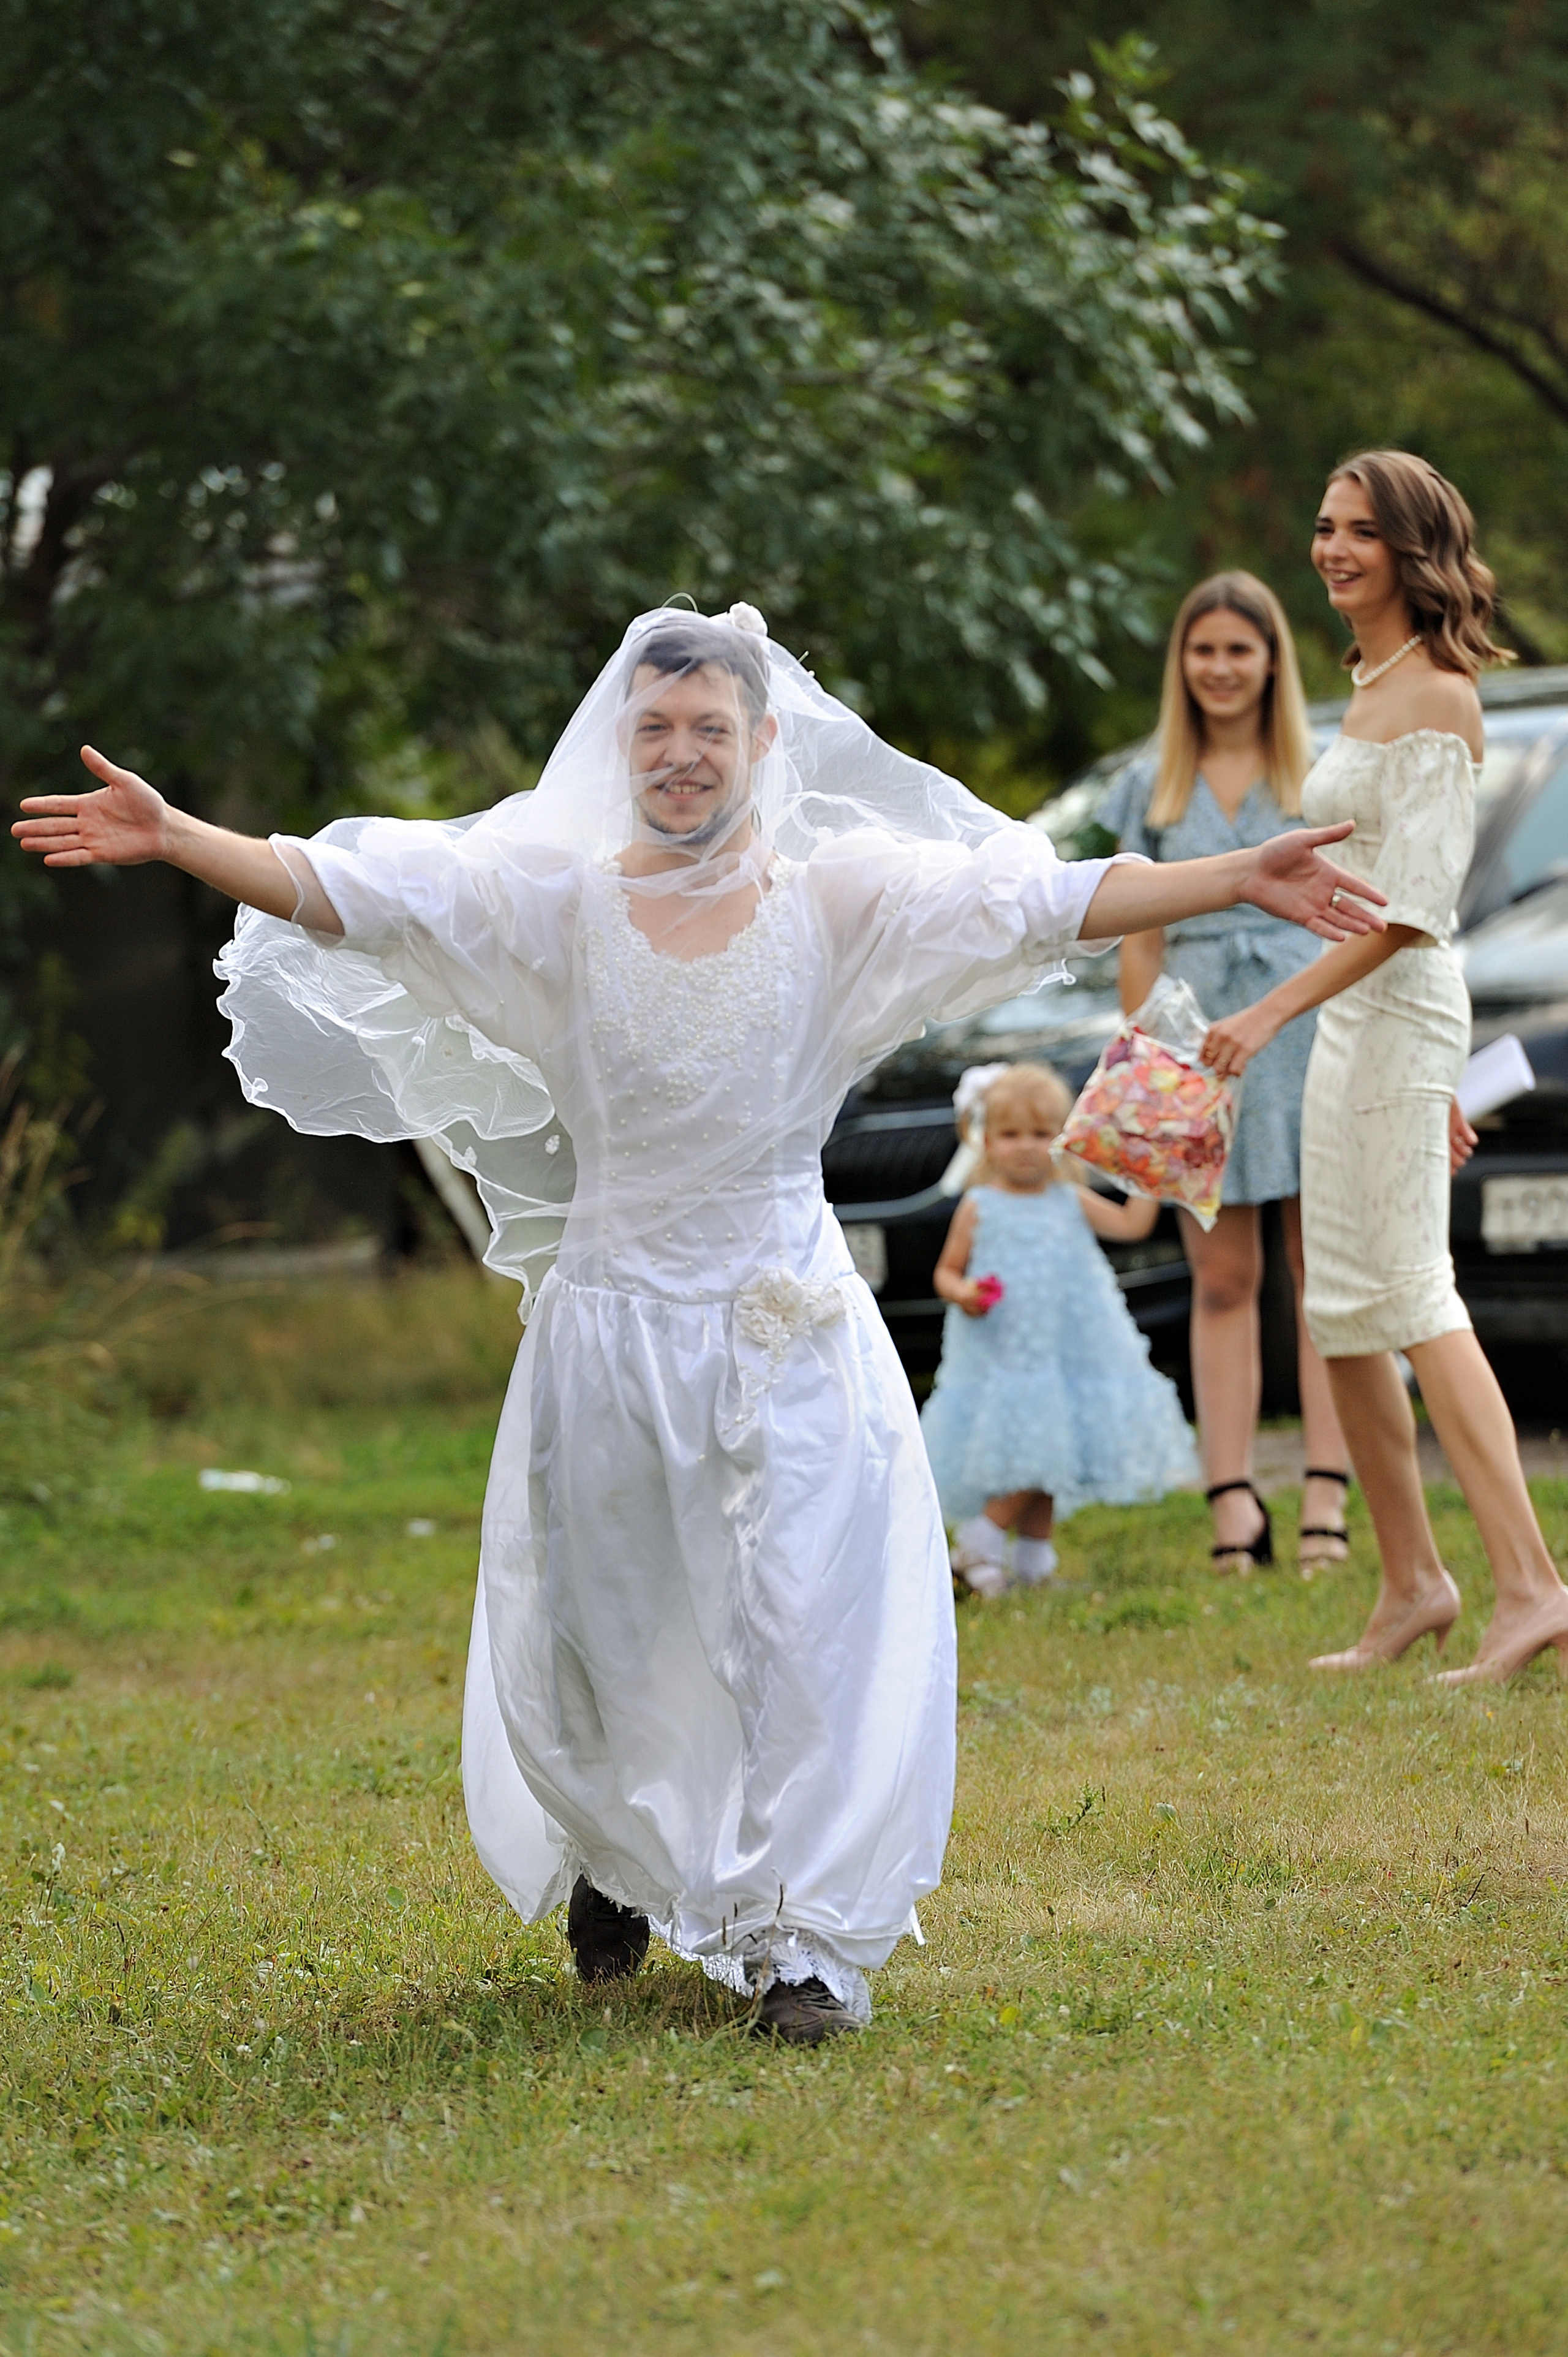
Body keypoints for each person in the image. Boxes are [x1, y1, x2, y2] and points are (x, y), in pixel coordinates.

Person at [12, 603, 1386, 2039]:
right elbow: (355, 891)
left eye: (708, 730)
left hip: (780, 1321)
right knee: (608, 1625)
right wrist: (181, 837)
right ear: (622, 745)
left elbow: (1037, 898)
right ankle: (620, 1855)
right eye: (654, 730)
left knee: (799, 1612)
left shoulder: (835, 895)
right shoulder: (551, 900)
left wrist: (1235, 871)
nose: (680, 756)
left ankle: (801, 1943)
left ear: (761, 743)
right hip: (608, 1324)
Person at [1199, 453, 1568, 1683]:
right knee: (1339, 1308)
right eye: (1322, 527)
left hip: (1395, 1010)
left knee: (1411, 1292)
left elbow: (1411, 913)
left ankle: (1529, 1589)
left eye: (1359, 531)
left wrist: (1261, 1018)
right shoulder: (1367, 683)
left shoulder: (1440, 697)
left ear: (1411, 551)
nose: (1331, 549)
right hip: (1355, 1028)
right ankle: (1410, 1584)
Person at [1103, 574, 1352, 1576]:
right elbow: (1134, 931)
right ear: (1182, 663)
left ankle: (1329, 1495)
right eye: (1201, 650)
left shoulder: (1323, 772)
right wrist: (1148, 1061)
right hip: (1195, 1035)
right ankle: (1232, 1500)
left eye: (1238, 650)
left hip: (1308, 1022)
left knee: (1321, 1272)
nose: (1219, 668)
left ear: (1272, 660)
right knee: (1223, 1276)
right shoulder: (1150, 784)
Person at [921, 1060, 1196, 1598]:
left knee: (1056, 1449)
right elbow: (946, 1271)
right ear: (985, 1140)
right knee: (1035, 1449)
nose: (1026, 1146)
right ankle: (980, 1540)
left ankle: (1032, 1561)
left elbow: (1132, 1225)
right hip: (1008, 1354)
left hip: (1070, 1346)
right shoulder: (980, 1206)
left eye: (1041, 1134)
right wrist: (964, 1293)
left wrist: (1151, 1170)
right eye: (1010, 1134)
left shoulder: (1070, 1198)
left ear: (1065, 1137)